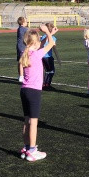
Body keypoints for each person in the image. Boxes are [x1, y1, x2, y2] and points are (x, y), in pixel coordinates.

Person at [19, 23, 58, 161]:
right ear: (34, 42)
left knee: (26, 121)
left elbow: (40, 45)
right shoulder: (36, 54)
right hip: (34, 92)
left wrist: (49, 34)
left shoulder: (26, 53)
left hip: (24, 90)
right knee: (34, 122)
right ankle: (32, 150)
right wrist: (47, 32)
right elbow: (50, 44)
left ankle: (26, 147)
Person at [40, 22, 61, 89]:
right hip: (48, 57)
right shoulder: (53, 38)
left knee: (46, 71)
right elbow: (54, 46)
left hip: (42, 56)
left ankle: (44, 84)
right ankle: (47, 84)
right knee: (51, 71)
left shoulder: (43, 37)